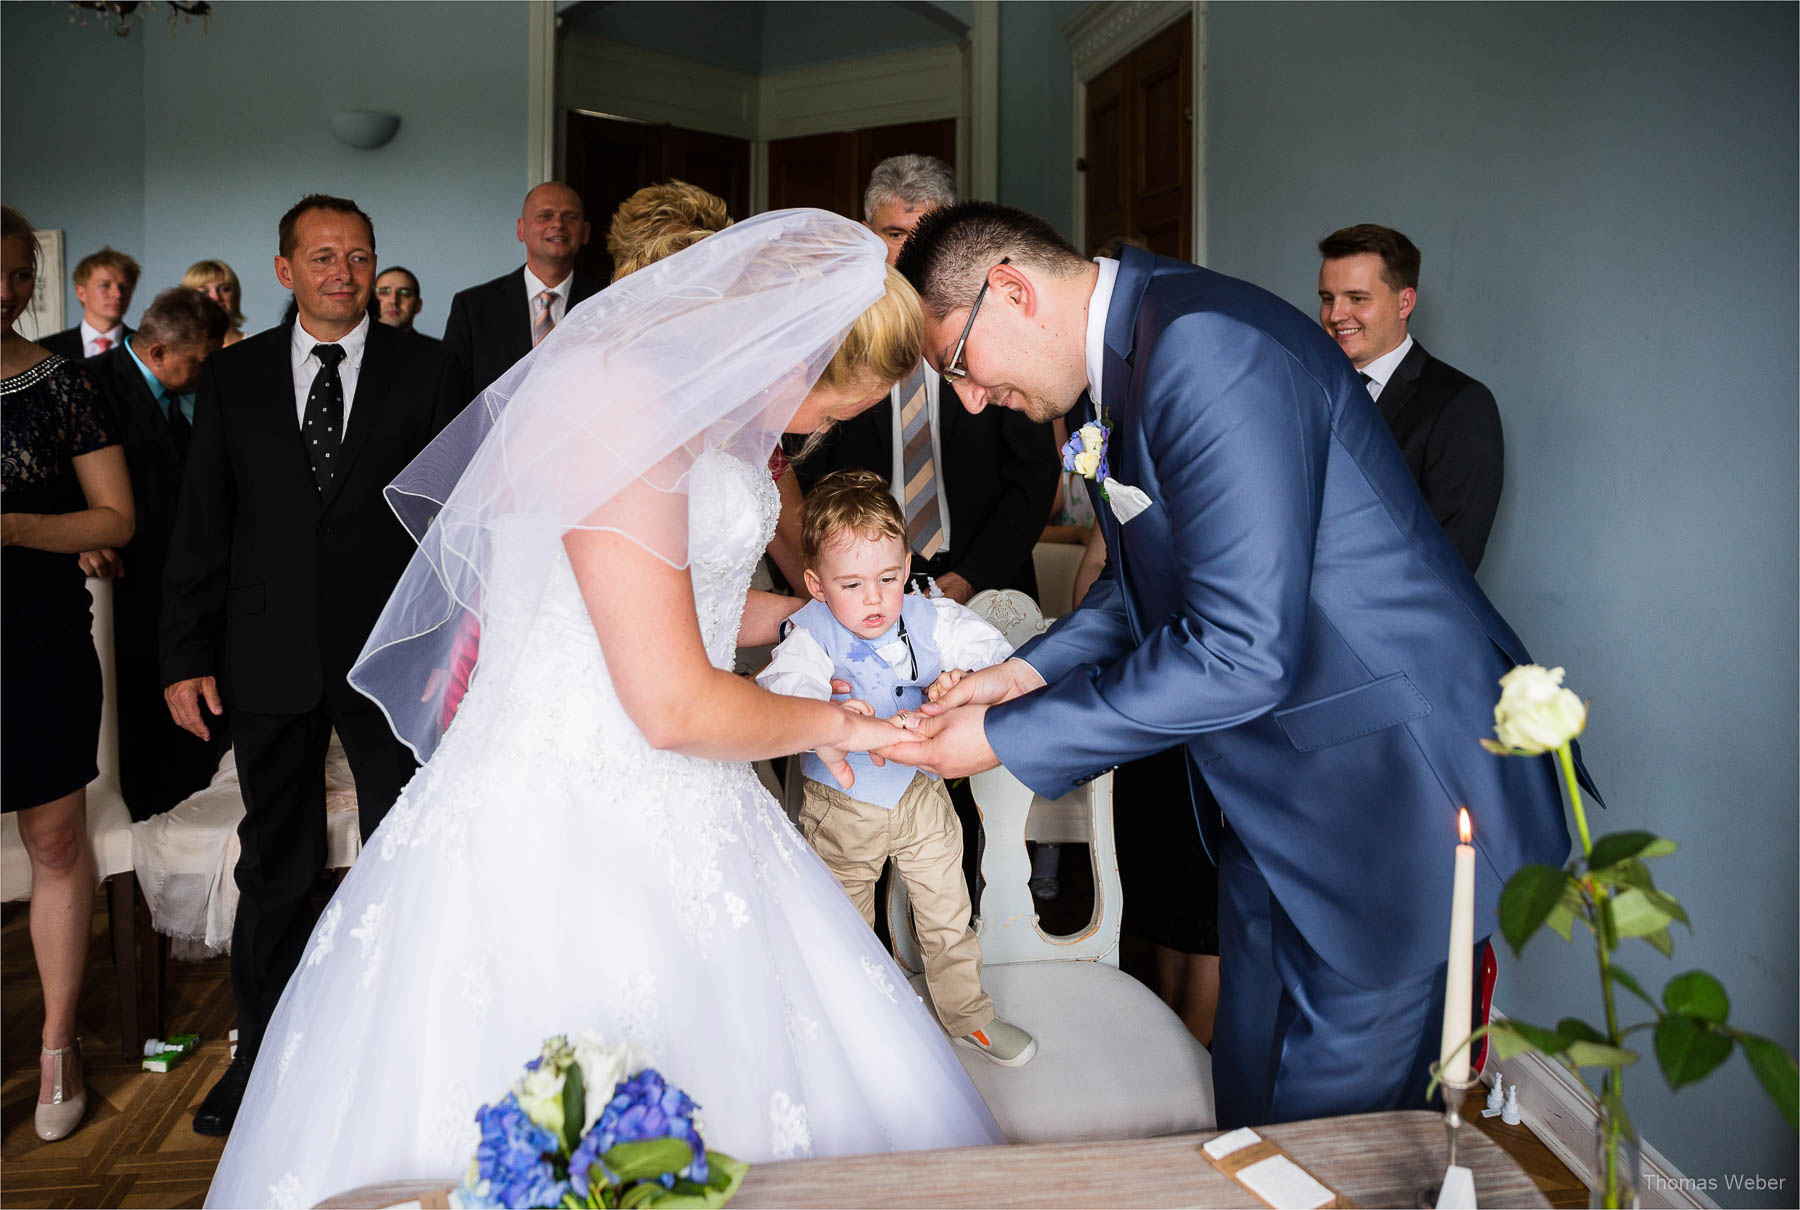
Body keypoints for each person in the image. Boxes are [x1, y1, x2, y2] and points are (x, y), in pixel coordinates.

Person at [202, 210, 1003, 1209]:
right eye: (831, 405)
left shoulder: (680, 403)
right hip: (567, 800)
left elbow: (675, 598)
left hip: (682, 793)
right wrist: (850, 724)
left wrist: (820, 622)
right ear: (792, 352)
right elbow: (671, 702)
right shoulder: (625, 411)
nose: (817, 428)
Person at [890, 201, 1586, 1127]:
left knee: (1336, 1138)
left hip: (1386, 799)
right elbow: (1155, 584)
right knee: (1251, 1101)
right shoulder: (1133, 353)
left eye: (960, 367)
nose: (971, 400)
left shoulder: (1203, 347)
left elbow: (1240, 649)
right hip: (1277, 801)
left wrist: (1004, 736)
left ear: (1010, 291)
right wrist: (1026, 673)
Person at [161, 194, 459, 1138]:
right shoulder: (237, 376)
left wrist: (457, 650)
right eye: (322, 255)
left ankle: (404, 1062)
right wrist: (183, 654)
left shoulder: (434, 370)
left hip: (393, 659)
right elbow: (203, 522)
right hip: (267, 653)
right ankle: (259, 1061)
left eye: (359, 254)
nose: (344, 270)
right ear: (285, 270)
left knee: (403, 856)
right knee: (276, 867)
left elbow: (459, 527)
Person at [757, 469, 1035, 1067]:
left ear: (907, 566)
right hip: (842, 805)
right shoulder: (809, 630)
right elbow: (781, 686)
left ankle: (968, 1016)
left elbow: (994, 653)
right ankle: (854, 1025)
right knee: (843, 920)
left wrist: (966, 678)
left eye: (887, 577)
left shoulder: (930, 615)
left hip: (920, 793)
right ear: (816, 583)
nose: (875, 598)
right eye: (852, 584)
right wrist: (822, 708)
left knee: (947, 909)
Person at [1, 204, 136, 1142]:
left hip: (38, 639)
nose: (6, 292)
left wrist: (15, 528)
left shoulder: (65, 385)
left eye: (18, 275)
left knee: (55, 842)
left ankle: (57, 1045)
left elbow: (115, 519)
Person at [794, 154, 1057, 605]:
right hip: (860, 590)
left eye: (926, 230)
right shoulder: (835, 333)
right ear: (866, 233)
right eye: (894, 233)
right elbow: (809, 470)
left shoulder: (996, 326)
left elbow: (1034, 470)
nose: (910, 247)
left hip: (989, 585)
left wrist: (972, 575)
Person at [79, 286, 231, 821]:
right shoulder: (89, 385)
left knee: (197, 755)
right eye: (199, 361)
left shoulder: (203, 394)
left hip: (196, 601)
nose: (207, 371)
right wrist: (85, 534)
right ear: (159, 352)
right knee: (139, 751)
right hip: (128, 597)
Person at [1317, 224, 1503, 572]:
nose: (1336, 315)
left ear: (1405, 303)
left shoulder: (1461, 405)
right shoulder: (1310, 392)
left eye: (1357, 298)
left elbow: (1450, 562)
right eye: (1328, 298)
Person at [442, 181, 603, 402]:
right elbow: (451, 397)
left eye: (570, 217)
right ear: (521, 229)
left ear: (585, 233)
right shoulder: (473, 308)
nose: (558, 224)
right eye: (545, 216)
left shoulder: (606, 303)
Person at [39, 245, 140, 361]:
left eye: (125, 286)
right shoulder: (46, 349)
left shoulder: (146, 348)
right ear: (81, 293)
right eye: (105, 285)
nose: (117, 294)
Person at [182, 260, 249, 347]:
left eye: (224, 289)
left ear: (235, 295)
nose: (216, 298)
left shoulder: (258, 346)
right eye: (205, 292)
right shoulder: (186, 354)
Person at [370, 265, 424, 333]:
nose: (393, 301)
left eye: (404, 293)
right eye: (384, 292)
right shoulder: (354, 342)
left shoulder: (431, 344)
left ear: (418, 305)